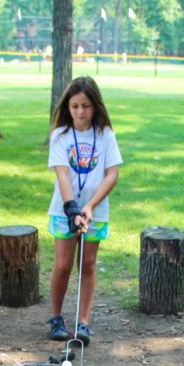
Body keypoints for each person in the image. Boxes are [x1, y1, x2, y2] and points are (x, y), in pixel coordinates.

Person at [45, 76, 121, 347]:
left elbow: (112, 175)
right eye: (75, 106)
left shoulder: (105, 135)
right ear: (68, 106)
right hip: (64, 211)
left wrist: (88, 207)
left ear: (95, 106)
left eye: (85, 106)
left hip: (95, 212)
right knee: (64, 265)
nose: (80, 112)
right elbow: (63, 175)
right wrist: (72, 210)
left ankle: (83, 322)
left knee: (87, 265)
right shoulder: (61, 136)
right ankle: (56, 318)